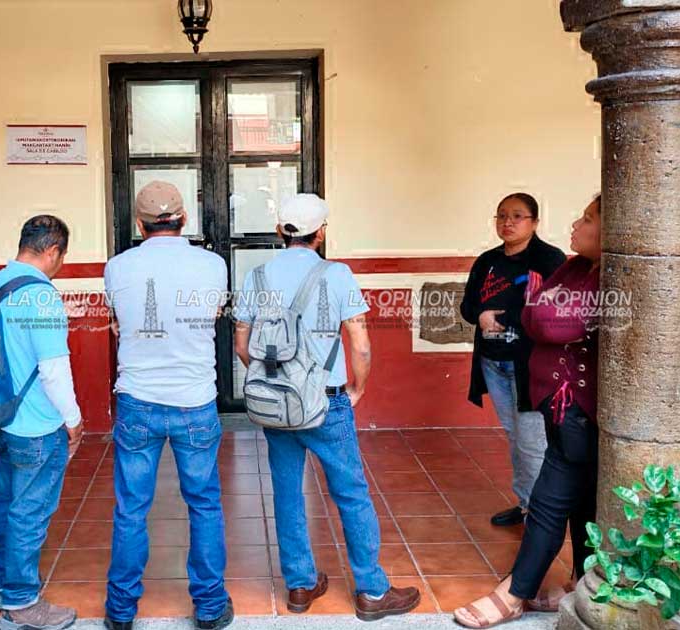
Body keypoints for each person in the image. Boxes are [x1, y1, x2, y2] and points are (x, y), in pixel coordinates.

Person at [233, 194, 421, 621]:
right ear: (321, 233)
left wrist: (274, 383)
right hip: (327, 402)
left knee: (287, 493)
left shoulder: (256, 276)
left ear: (280, 231)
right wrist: (356, 388)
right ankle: (372, 591)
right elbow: (360, 343)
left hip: (278, 406)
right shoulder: (337, 274)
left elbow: (243, 344)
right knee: (351, 493)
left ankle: (300, 585)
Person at [454, 195, 602, 629]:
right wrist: (529, 311)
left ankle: (515, 592)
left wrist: (535, 312)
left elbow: (551, 321)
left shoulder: (568, 264)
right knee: (579, 500)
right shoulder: (573, 267)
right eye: (501, 215)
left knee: (550, 502)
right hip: (546, 395)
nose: (577, 224)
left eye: (588, 219)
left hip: (578, 409)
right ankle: (581, 581)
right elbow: (533, 311)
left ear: (534, 222)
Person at [102, 181, 233, 630]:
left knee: (131, 509)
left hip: (137, 401)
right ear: (184, 219)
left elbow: (118, 323)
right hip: (195, 401)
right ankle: (210, 607)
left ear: (139, 225)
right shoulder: (213, 265)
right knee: (204, 505)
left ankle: (120, 611)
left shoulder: (117, 267)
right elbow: (212, 317)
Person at [0, 215, 85, 630]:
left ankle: (0, 587)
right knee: (29, 512)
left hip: (0, 418)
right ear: (53, 250)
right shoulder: (41, 295)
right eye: (63, 256)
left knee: (6, 502)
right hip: (37, 426)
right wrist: (73, 419)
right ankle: (22, 602)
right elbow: (53, 369)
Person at [460, 193, 567, 527]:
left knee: (532, 440)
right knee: (515, 435)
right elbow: (468, 306)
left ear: (535, 222)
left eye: (517, 216)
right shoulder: (488, 261)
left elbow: (555, 309)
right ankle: (526, 505)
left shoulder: (549, 260)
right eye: (502, 215)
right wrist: (480, 315)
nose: (508, 222)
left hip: (530, 366)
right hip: (493, 363)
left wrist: (504, 320)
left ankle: (541, 514)